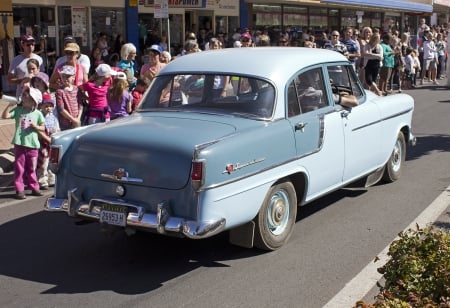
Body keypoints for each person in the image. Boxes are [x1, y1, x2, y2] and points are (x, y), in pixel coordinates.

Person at [1, 86, 45, 199]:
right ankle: (19, 189)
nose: (23, 98)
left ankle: (34, 187)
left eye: (26, 96)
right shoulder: (18, 110)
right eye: (23, 96)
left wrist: (35, 126)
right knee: (19, 167)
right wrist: (9, 105)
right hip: (20, 144)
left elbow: (42, 127)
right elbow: (4, 116)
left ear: (33, 101)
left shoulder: (38, 113)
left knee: (32, 168)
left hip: (33, 144)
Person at [8, 35, 43, 100]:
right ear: (23, 45)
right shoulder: (16, 60)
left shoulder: (39, 59)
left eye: (32, 44)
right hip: (22, 97)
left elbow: (43, 77)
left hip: (36, 96)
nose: (31, 46)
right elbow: (10, 80)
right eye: (28, 45)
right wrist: (23, 79)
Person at [36, 93, 59, 190]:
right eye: (46, 106)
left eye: (50, 106)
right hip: (43, 143)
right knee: (43, 162)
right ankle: (42, 180)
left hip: (52, 142)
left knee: (52, 161)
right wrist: (45, 138)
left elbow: (57, 129)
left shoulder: (53, 117)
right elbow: (38, 130)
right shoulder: (39, 116)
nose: (48, 108)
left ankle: (51, 178)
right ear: (41, 106)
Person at [56, 65, 83, 130]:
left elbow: (80, 105)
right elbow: (61, 109)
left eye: (67, 76)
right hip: (66, 123)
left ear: (73, 77)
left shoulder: (76, 89)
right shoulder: (59, 91)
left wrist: (78, 119)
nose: (65, 79)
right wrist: (73, 120)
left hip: (77, 120)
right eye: (63, 76)